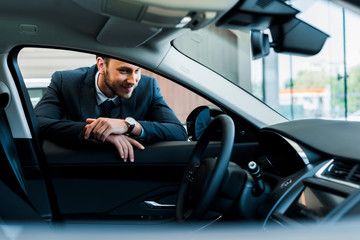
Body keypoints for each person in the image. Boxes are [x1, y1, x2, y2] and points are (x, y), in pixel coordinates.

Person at [35, 56, 188, 162]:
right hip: (76, 170)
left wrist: (127, 125)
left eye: (137, 71)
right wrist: (97, 131)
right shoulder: (65, 82)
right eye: (124, 71)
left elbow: (178, 132)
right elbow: (39, 122)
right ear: (101, 65)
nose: (133, 81)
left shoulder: (148, 87)